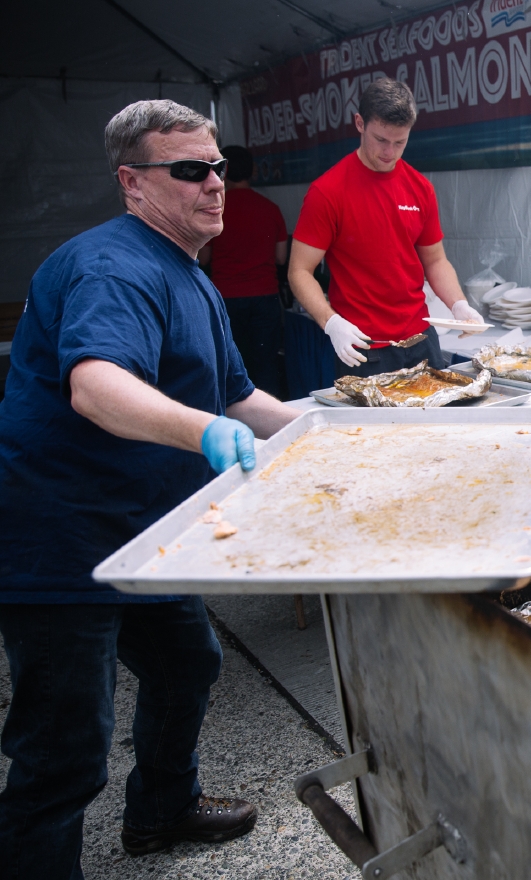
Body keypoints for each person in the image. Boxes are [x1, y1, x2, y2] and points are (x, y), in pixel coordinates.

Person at [0, 99, 300, 876]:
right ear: (132, 183)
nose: (215, 185)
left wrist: (317, 432)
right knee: (63, 745)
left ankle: (161, 811)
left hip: (145, 531)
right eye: (191, 171)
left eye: (219, 168)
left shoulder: (189, 273)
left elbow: (237, 395)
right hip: (63, 538)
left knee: (185, 662)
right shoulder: (113, 267)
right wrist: (201, 434)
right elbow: (97, 386)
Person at [288, 78, 481, 377]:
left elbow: (435, 260)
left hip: (421, 341)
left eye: (400, 142)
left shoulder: (421, 188)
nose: (389, 152)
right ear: (360, 123)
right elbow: (299, 271)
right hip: (366, 347)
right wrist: (330, 322)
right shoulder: (327, 192)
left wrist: (458, 304)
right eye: (381, 139)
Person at [199, 144, 288, 397]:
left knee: (230, 366)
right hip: (264, 296)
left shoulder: (215, 211)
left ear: (222, 173)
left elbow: (204, 257)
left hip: (226, 298)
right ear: (253, 171)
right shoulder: (270, 209)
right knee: (267, 364)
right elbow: (281, 258)